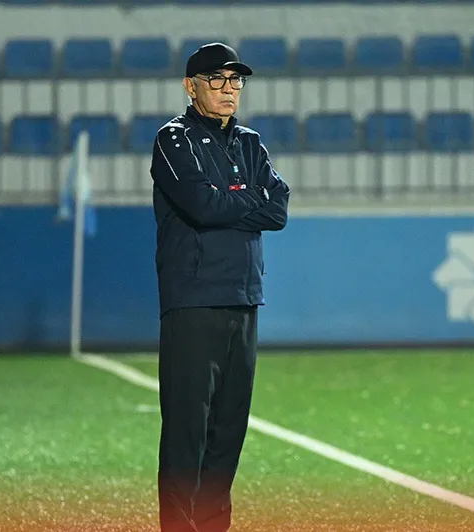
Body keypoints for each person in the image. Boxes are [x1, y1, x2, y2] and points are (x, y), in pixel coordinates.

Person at [149, 42, 291, 532]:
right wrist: (248, 197)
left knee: (228, 431)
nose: (229, 89)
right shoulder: (174, 139)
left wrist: (230, 196)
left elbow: (279, 209)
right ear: (191, 87)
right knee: (188, 430)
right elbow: (201, 207)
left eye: (235, 80)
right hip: (193, 300)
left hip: (244, 297)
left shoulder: (250, 143)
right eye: (217, 79)